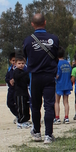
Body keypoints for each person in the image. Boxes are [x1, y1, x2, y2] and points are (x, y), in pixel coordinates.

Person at [23, 12, 59, 144]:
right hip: (49, 75)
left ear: (32, 24)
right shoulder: (54, 39)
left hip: (35, 76)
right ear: (45, 22)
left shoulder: (28, 40)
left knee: (35, 105)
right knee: (49, 105)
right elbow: (56, 54)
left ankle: (37, 132)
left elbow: (26, 56)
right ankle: (48, 135)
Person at [55, 48, 72, 124]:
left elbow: (57, 75)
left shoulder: (57, 64)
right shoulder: (67, 63)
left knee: (57, 101)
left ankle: (57, 117)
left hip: (59, 84)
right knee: (66, 102)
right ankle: (66, 117)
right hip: (67, 84)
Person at [12, 56, 30, 127]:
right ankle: (20, 121)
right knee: (21, 108)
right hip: (19, 93)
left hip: (25, 92)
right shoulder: (16, 72)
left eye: (22, 63)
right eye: (19, 63)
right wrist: (26, 73)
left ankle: (25, 120)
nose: (21, 65)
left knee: (26, 107)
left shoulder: (24, 72)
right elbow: (17, 77)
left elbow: (27, 81)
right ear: (15, 64)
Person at [5, 52, 18, 122]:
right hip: (11, 89)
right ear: (10, 61)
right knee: (9, 103)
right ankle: (17, 115)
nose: (14, 62)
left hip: (18, 89)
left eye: (15, 61)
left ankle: (22, 116)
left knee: (19, 103)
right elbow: (6, 78)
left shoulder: (20, 68)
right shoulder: (10, 69)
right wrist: (9, 81)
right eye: (13, 60)